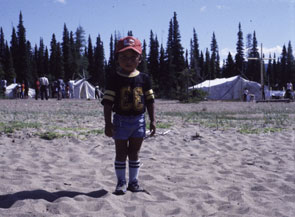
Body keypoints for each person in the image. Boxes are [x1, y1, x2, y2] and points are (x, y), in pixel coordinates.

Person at [101, 36, 156, 195]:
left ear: (139, 59)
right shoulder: (114, 79)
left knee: (134, 152)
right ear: (117, 58)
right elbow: (108, 103)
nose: (128, 61)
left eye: (133, 57)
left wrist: (152, 120)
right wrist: (108, 123)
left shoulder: (144, 78)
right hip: (120, 121)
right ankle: (121, 182)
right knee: (120, 153)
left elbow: (150, 101)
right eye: (124, 57)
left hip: (139, 121)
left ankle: (133, 182)